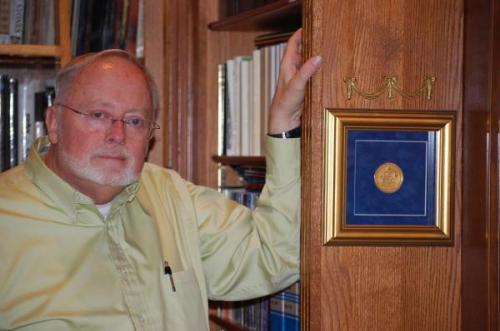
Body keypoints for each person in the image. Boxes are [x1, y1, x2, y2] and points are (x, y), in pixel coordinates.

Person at [0, 30, 321, 330]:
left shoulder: (172, 196)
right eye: (98, 115)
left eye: (135, 120)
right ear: (54, 123)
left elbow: (272, 254)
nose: (117, 134)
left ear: (150, 136)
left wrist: (285, 123)